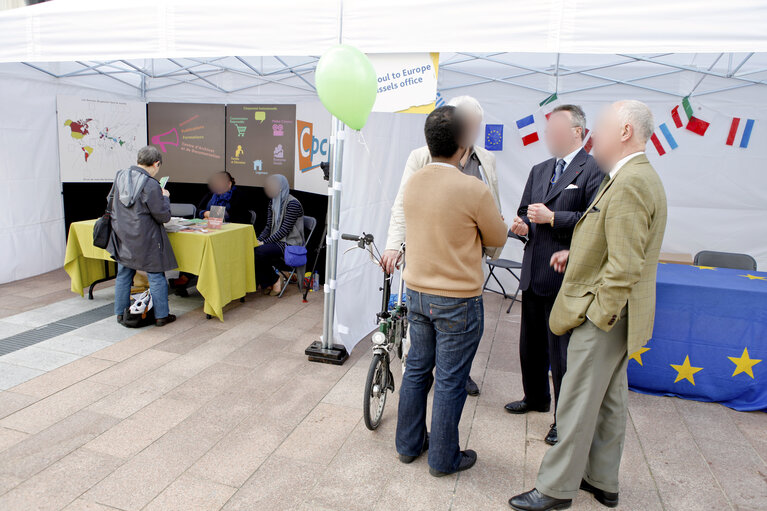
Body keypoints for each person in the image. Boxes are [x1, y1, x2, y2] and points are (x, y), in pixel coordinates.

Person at [509, 100, 667, 511]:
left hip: (606, 316)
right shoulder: (632, 176)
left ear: (626, 131)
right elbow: (610, 242)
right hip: (620, 315)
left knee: (576, 401)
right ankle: (602, 481)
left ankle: (555, 489)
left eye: (602, 125)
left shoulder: (629, 181)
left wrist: (598, 316)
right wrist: (574, 255)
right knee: (611, 401)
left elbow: (624, 267)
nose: (594, 132)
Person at [396, 106, 508, 477]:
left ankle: (408, 445)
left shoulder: (413, 181)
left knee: (416, 371)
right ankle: (443, 458)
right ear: (463, 144)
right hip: (458, 299)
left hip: (416, 292)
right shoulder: (472, 188)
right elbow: (497, 236)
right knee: (449, 380)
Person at [382, 95, 503, 396]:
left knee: (455, 349)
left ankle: (457, 373)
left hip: (465, 260)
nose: (471, 130)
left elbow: (493, 209)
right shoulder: (421, 157)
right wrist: (394, 244)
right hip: (428, 263)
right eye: (466, 124)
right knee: (422, 358)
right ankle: (427, 377)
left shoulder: (486, 160)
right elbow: (402, 204)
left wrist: (491, 242)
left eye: (476, 125)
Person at [504, 105, 603, 446]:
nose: (549, 137)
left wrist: (553, 218)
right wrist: (521, 227)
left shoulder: (593, 169)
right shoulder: (539, 169)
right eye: (547, 131)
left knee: (562, 354)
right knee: (529, 345)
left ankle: (564, 418)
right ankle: (535, 398)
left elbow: (596, 222)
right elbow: (524, 212)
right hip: (533, 271)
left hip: (565, 274)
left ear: (578, 131)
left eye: (556, 130)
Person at [106, 145, 178, 327]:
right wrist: (165, 197)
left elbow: (111, 203)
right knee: (156, 276)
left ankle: (120, 313)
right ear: (156, 163)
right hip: (147, 239)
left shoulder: (120, 176)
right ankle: (161, 316)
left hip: (123, 236)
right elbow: (163, 216)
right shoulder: (151, 184)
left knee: (123, 274)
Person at [255, 174, 304, 296]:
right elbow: (268, 227)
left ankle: (275, 279)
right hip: (276, 240)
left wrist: (264, 242)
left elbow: (284, 230)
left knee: (259, 251)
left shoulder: (293, 204)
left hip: (289, 242)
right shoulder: (273, 202)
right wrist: (258, 239)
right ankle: (267, 282)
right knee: (252, 248)